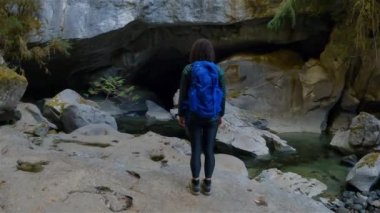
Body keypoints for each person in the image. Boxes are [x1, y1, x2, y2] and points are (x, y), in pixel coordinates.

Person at [178, 38, 226, 196]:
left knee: (196, 150)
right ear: (210, 53)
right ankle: (208, 185)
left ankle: (195, 184)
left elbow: (183, 95)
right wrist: (220, 115)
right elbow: (223, 95)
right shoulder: (217, 70)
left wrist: (181, 114)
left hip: (194, 115)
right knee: (209, 150)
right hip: (212, 115)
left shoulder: (188, 70)